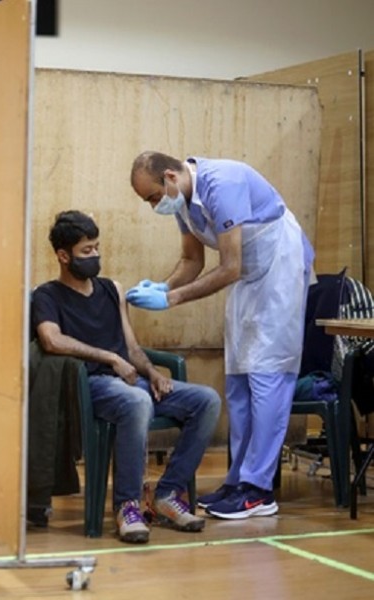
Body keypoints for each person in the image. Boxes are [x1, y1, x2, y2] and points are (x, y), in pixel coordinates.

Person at [128, 152, 314, 520]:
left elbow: (229, 267)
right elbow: (192, 262)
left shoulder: (222, 184)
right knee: (239, 377)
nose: (153, 206)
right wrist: (161, 286)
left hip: (278, 266)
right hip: (248, 276)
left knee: (267, 376)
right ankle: (237, 481)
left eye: (152, 197)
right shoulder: (181, 201)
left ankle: (259, 489)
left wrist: (172, 298)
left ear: (169, 176)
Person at [32, 210, 220, 543]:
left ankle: (167, 494)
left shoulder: (111, 289)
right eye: (86, 251)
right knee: (136, 402)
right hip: (93, 385)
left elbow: (132, 347)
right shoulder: (47, 295)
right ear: (63, 256)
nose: (95, 256)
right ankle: (127, 506)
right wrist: (109, 357)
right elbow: (51, 339)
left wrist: (153, 372)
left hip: (134, 380)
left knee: (206, 400)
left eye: (97, 248)